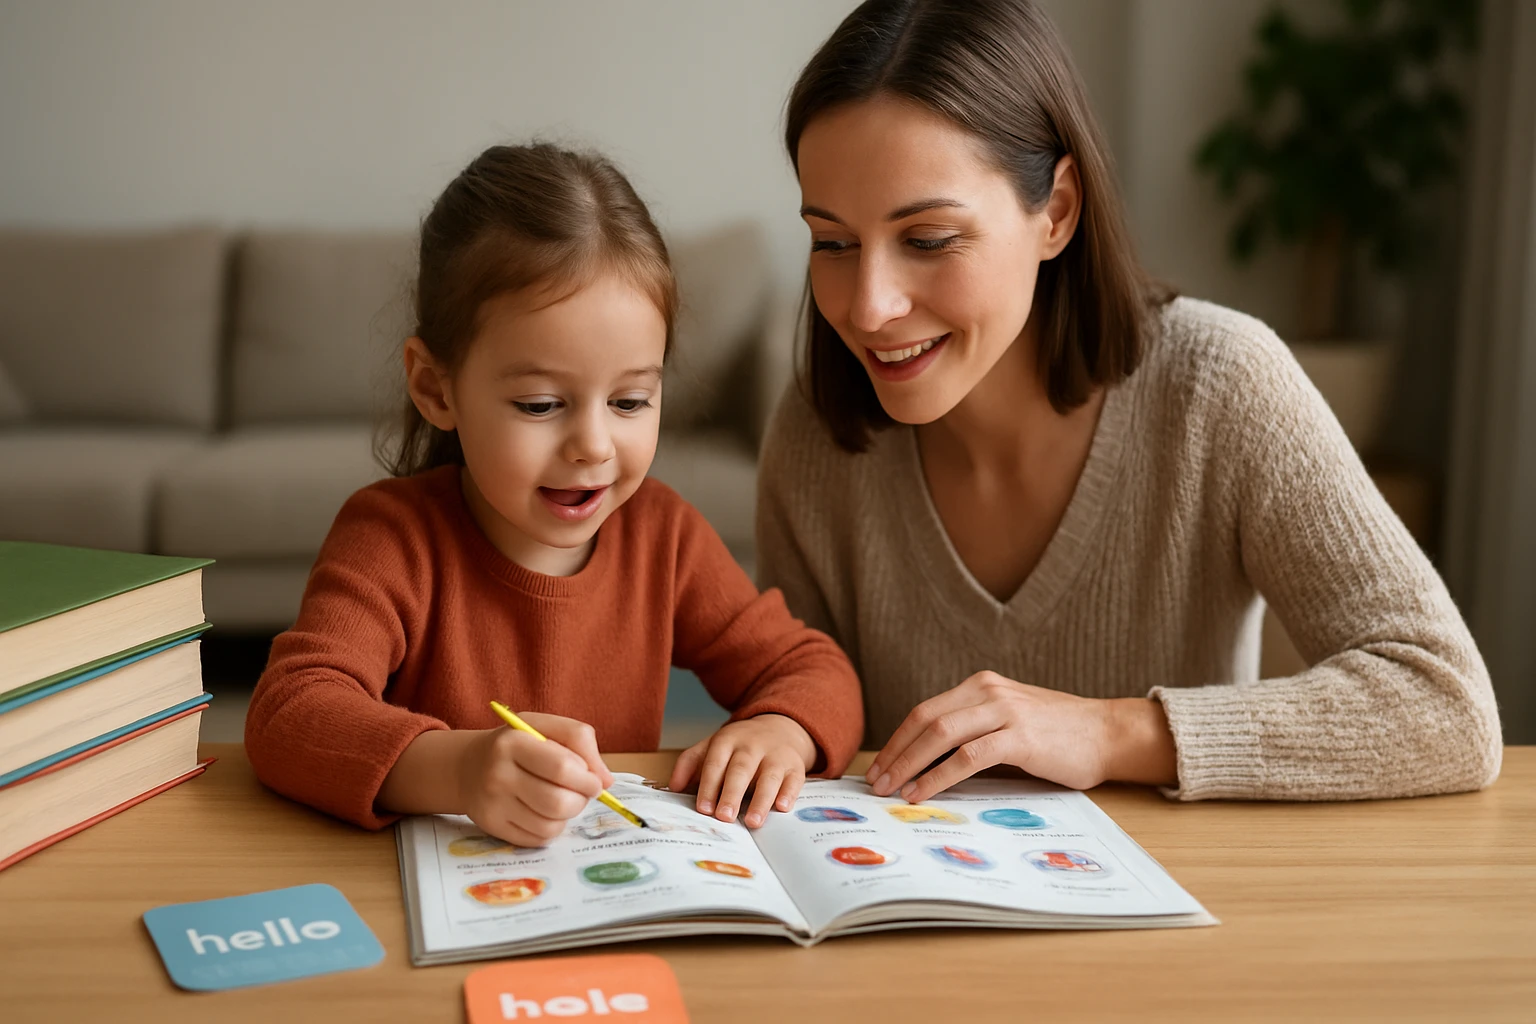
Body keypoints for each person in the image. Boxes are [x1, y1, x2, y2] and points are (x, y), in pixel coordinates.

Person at [757, 0, 1501, 804]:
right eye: (832, 243)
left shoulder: (1220, 385)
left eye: (929, 240)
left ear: (1058, 211)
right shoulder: (817, 434)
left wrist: (1109, 732)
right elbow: (805, 706)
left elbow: (1447, 705)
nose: (868, 308)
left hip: (1189, 915)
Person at [246, 143, 863, 846]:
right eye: (540, 405)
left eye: (631, 401)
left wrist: (779, 729)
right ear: (434, 388)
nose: (593, 446)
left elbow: (815, 668)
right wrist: (457, 769)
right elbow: (288, 713)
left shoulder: (663, 535)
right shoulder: (392, 538)